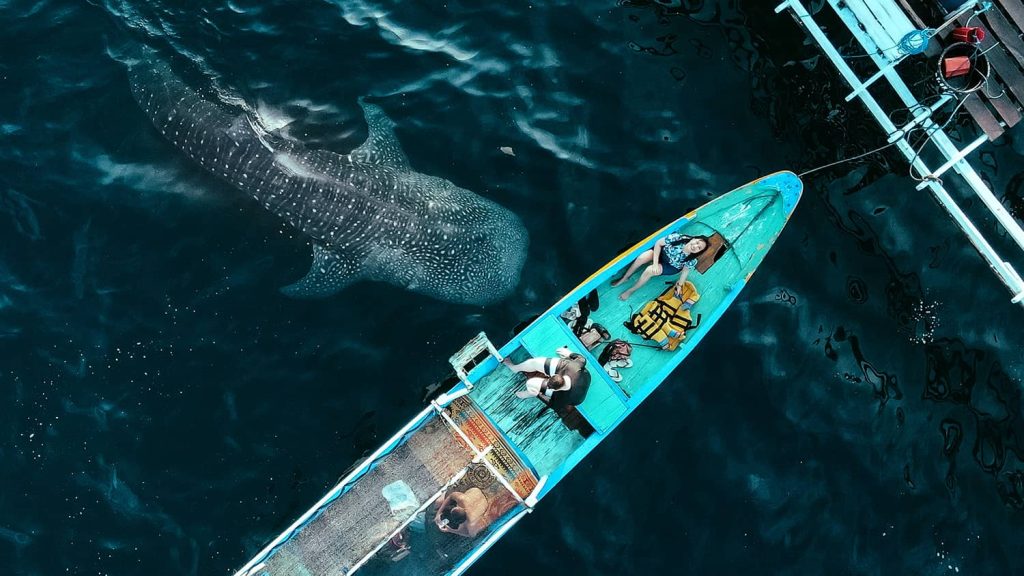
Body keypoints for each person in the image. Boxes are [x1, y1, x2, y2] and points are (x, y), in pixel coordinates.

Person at [612, 233, 709, 301]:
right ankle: (625, 277)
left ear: (699, 252)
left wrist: (679, 285)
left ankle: (631, 290)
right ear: (693, 238)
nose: (695, 246)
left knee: (649, 271)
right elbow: (659, 243)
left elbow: (684, 272)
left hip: (671, 266)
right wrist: (655, 263)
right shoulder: (679, 238)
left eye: (699, 248)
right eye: (697, 242)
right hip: (661, 253)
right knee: (642, 258)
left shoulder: (692, 259)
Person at [502, 346, 585, 400]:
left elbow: (553, 405)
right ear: (557, 375)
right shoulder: (573, 367)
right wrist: (569, 353)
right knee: (535, 362)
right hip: (566, 371)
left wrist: (539, 395)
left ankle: (529, 394)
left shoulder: (564, 397)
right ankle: (515, 368)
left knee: (531, 383)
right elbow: (582, 359)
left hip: (569, 394)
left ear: (556, 390)